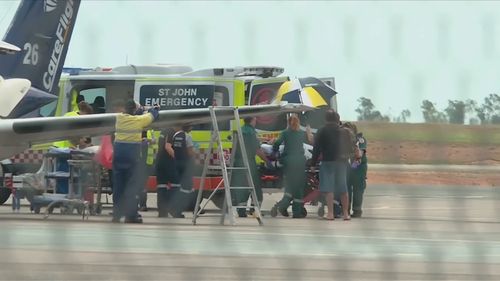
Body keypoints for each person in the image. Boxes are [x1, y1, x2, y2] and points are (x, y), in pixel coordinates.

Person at [112, 100, 159, 223]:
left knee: (118, 186)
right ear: (134, 110)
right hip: (131, 155)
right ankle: (131, 215)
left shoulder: (118, 119)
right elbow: (153, 115)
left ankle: (116, 215)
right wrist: (154, 108)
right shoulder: (139, 121)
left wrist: (138, 110)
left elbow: (130, 114)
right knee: (132, 187)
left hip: (118, 154)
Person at [311, 110, 352, 221]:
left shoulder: (322, 131)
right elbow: (350, 148)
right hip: (342, 162)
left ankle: (330, 213)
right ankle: (345, 213)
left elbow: (316, 149)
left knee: (329, 189)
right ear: (338, 119)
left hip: (328, 161)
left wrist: (313, 163)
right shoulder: (344, 132)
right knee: (343, 188)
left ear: (326, 119)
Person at [272, 114, 313, 218]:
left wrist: (275, 152)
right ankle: (297, 212)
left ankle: (282, 206)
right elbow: (311, 141)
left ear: (288, 123)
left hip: (288, 163)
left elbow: (277, 143)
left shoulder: (285, 133)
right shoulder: (301, 133)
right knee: (299, 188)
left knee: (290, 187)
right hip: (299, 162)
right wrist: (308, 131)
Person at [231, 116, 272, 217]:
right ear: (253, 120)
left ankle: (241, 210)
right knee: (255, 187)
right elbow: (258, 150)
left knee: (242, 187)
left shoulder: (240, 130)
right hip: (249, 162)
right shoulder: (251, 132)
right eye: (255, 119)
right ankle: (255, 210)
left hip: (238, 162)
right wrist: (267, 161)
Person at [170, 125, 196, 217]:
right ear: (188, 128)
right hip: (185, 165)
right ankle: (178, 210)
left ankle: (196, 208)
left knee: (180, 187)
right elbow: (190, 152)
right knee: (186, 188)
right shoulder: (187, 136)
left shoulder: (175, 136)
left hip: (176, 164)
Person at [155, 127, 180, 217]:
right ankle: (174, 210)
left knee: (161, 186)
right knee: (175, 184)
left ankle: (162, 211)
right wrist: (178, 158)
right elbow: (168, 147)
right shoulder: (171, 131)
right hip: (168, 162)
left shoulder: (163, 130)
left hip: (159, 161)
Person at [348, 128, 368, 218]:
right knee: (347, 189)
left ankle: (356, 210)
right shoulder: (345, 138)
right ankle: (346, 209)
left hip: (359, 167)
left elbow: (360, 155)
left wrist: (353, 167)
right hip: (349, 165)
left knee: (358, 189)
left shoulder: (360, 139)